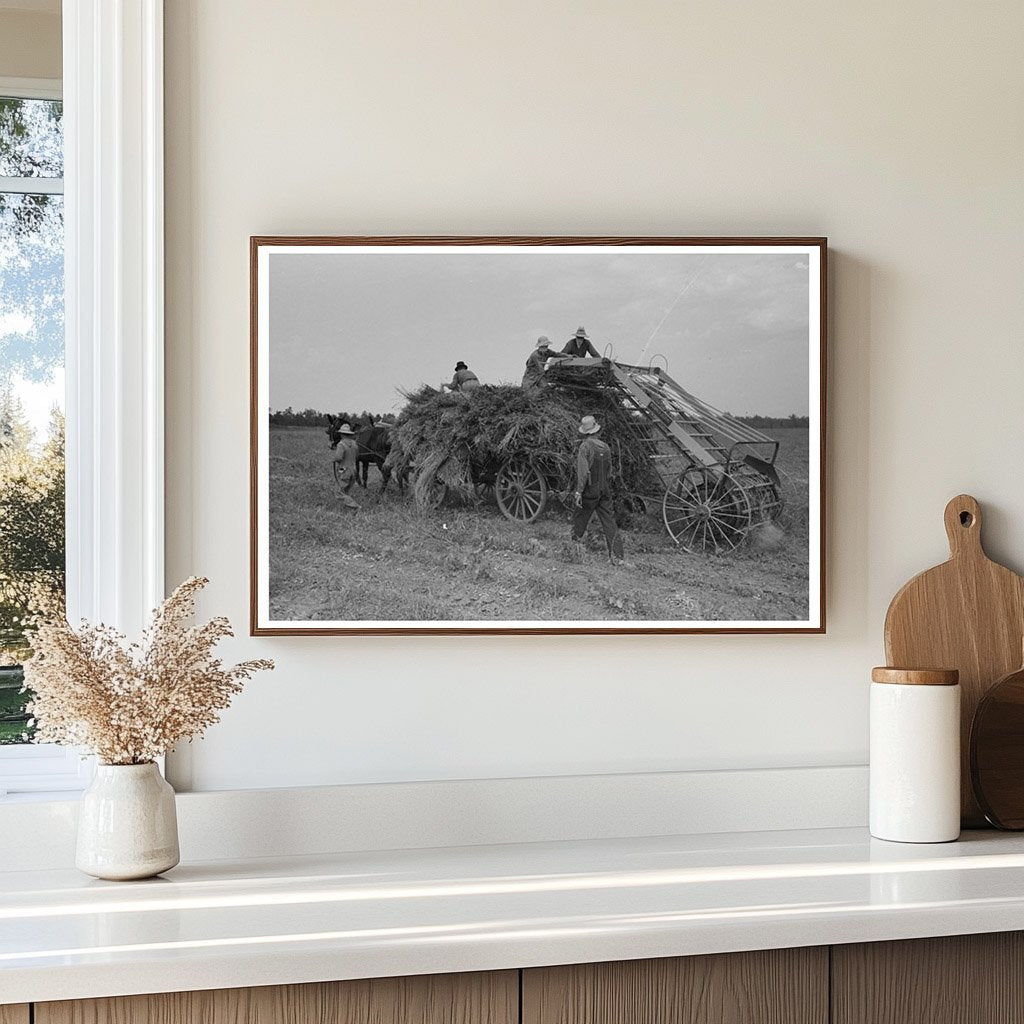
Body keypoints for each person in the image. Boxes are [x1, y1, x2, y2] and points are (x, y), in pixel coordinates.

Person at [571, 415, 624, 564]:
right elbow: (609, 471)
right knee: (609, 522)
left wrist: (579, 492)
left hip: (590, 491)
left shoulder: (585, 446)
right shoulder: (605, 447)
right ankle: (617, 557)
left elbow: (583, 472)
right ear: (596, 430)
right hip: (604, 490)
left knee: (580, 518)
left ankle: (574, 550)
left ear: (585, 432)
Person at [329, 422, 360, 510]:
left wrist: (334, 459)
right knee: (346, 491)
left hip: (344, 470)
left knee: (338, 492)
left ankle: (355, 506)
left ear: (342, 434)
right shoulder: (355, 444)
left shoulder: (341, 444)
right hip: (353, 470)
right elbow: (357, 456)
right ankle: (347, 509)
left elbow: (339, 457)